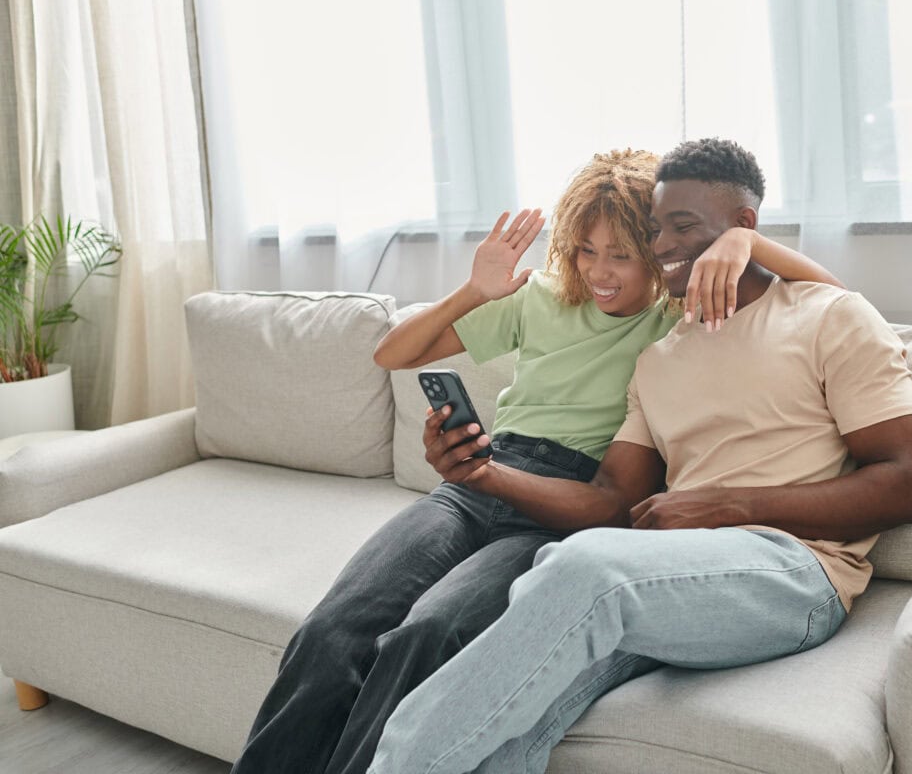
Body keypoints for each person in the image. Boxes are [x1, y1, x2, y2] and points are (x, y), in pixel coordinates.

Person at [230, 149, 843, 774]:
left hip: (567, 507)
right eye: (585, 250)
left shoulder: (675, 317)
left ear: (656, 251)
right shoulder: (543, 299)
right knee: (331, 631)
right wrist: (473, 291)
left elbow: (828, 299)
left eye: (621, 255)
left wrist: (743, 243)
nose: (600, 273)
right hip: (475, 482)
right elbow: (392, 353)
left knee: (430, 635)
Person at [366, 138, 912, 774]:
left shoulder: (830, 315)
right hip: (675, 573)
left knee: (583, 568)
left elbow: (909, 486)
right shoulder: (659, 356)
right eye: (656, 228)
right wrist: (482, 473)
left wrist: (725, 506)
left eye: (684, 227)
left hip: (798, 574)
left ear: (742, 229)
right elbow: (610, 498)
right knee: (511, 719)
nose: (663, 245)